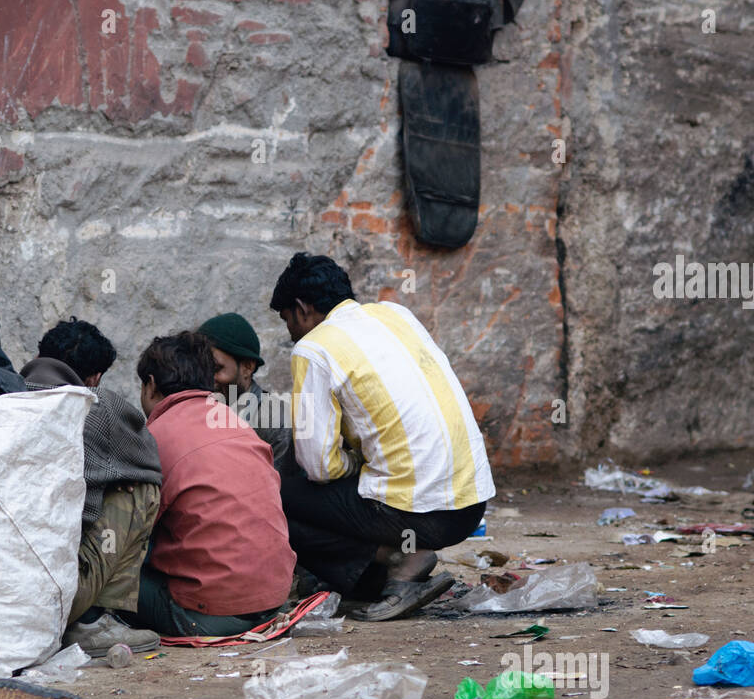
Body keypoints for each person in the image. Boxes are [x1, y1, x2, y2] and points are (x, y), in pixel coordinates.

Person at [270, 252, 496, 621]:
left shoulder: (314, 347)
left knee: (274, 495)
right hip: (471, 504)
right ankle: (384, 580)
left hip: (421, 515)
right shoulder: (396, 315)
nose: (290, 332)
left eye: (287, 320)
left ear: (301, 308)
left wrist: (354, 460)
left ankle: (400, 559)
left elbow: (319, 467)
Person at [131, 331, 296, 637]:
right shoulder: (238, 425)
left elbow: (135, 531)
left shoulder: (154, 437)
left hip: (211, 616)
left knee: (105, 569)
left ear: (150, 385)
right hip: (274, 603)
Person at [20, 318, 163, 657]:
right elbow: (150, 462)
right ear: (95, 377)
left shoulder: (0, 393)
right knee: (140, 486)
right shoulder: (98, 404)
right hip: (55, 590)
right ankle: (95, 620)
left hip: (4, 583)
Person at [197, 313, 293, 472]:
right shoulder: (198, 407)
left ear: (247, 367)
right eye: (200, 368)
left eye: (215, 369)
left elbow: (274, 490)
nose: (205, 378)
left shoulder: (273, 422)